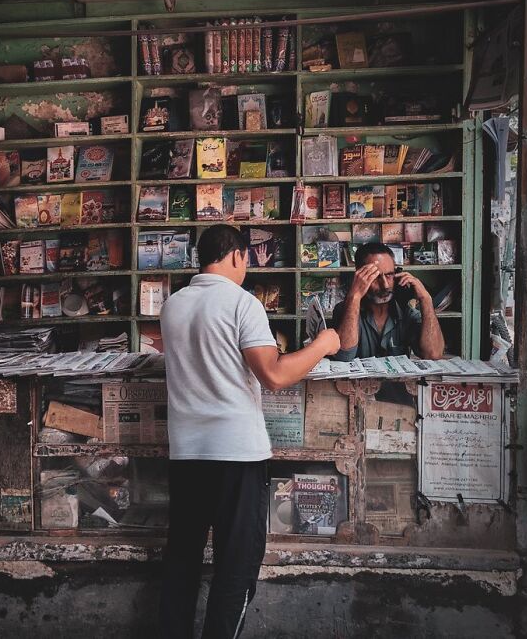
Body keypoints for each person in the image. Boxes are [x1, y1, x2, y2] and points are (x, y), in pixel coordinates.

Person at [159, 224, 340, 639]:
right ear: (238, 256)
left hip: (186, 455)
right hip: (236, 456)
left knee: (182, 563)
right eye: (247, 259)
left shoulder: (172, 305)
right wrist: (323, 345)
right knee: (236, 567)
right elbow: (274, 376)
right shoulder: (242, 303)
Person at [306, 242, 444, 361]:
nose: (385, 285)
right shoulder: (344, 310)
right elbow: (344, 355)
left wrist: (426, 299)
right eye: (376, 277)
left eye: (389, 275)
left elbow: (433, 354)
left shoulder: (405, 311)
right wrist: (354, 296)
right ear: (361, 276)